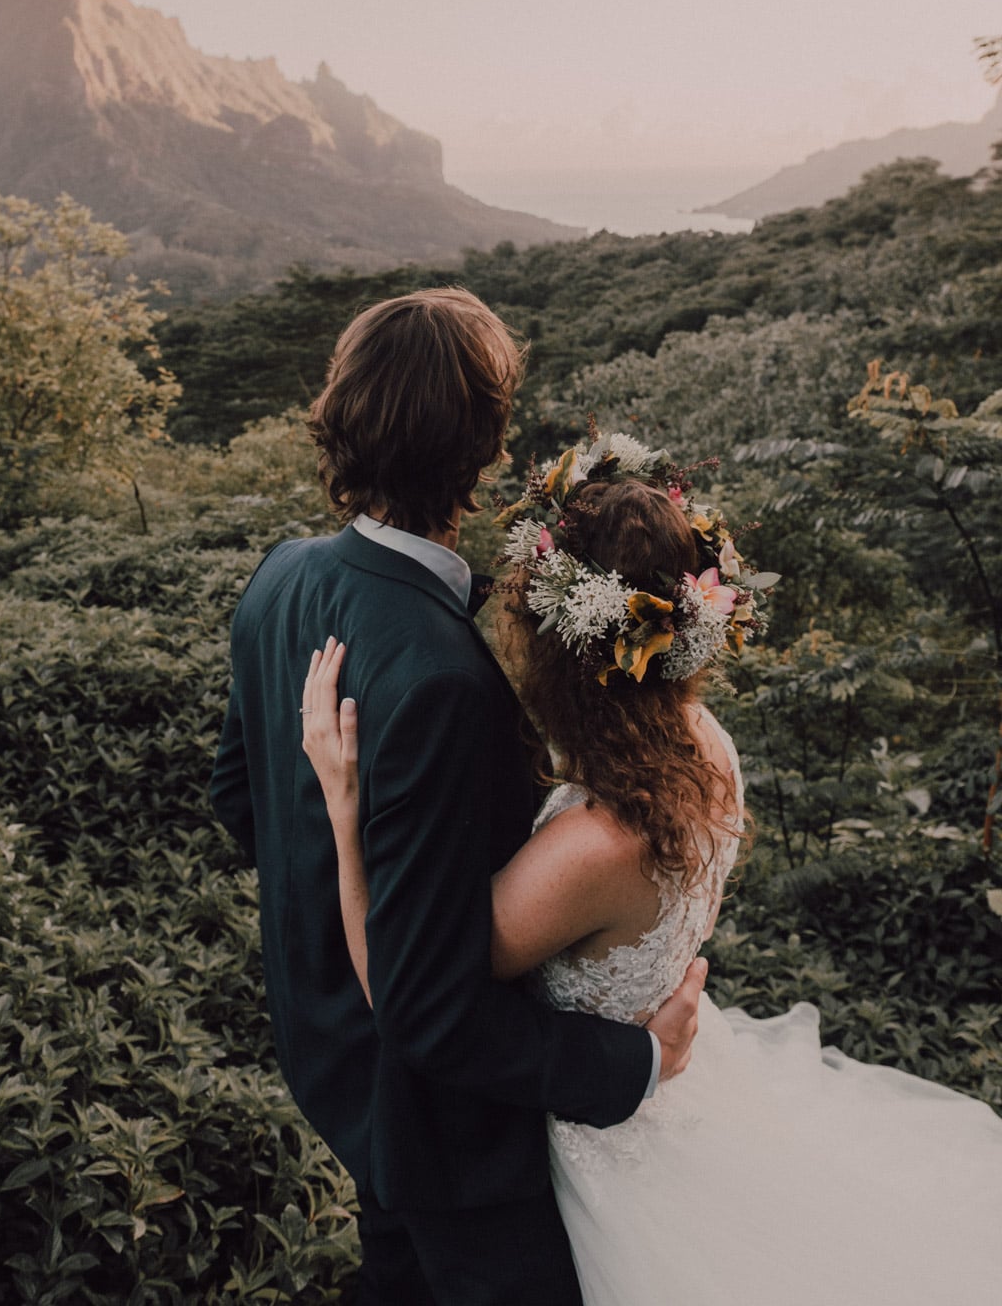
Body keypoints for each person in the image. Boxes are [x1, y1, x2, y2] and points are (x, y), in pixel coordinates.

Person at [302, 430, 1002, 1306]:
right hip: (687, 1087)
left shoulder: (592, 847)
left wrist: (342, 806)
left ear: (562, 638)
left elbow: (403, 990)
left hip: (601, 1156)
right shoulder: (708, 747)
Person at [209, 290, 706, 1306]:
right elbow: (434, 1011)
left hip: (327, 1061)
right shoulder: (444, 677)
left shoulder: (279, 578)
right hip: (440, 1128)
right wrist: (633, 1065)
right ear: (485, 446)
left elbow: (238, 802)